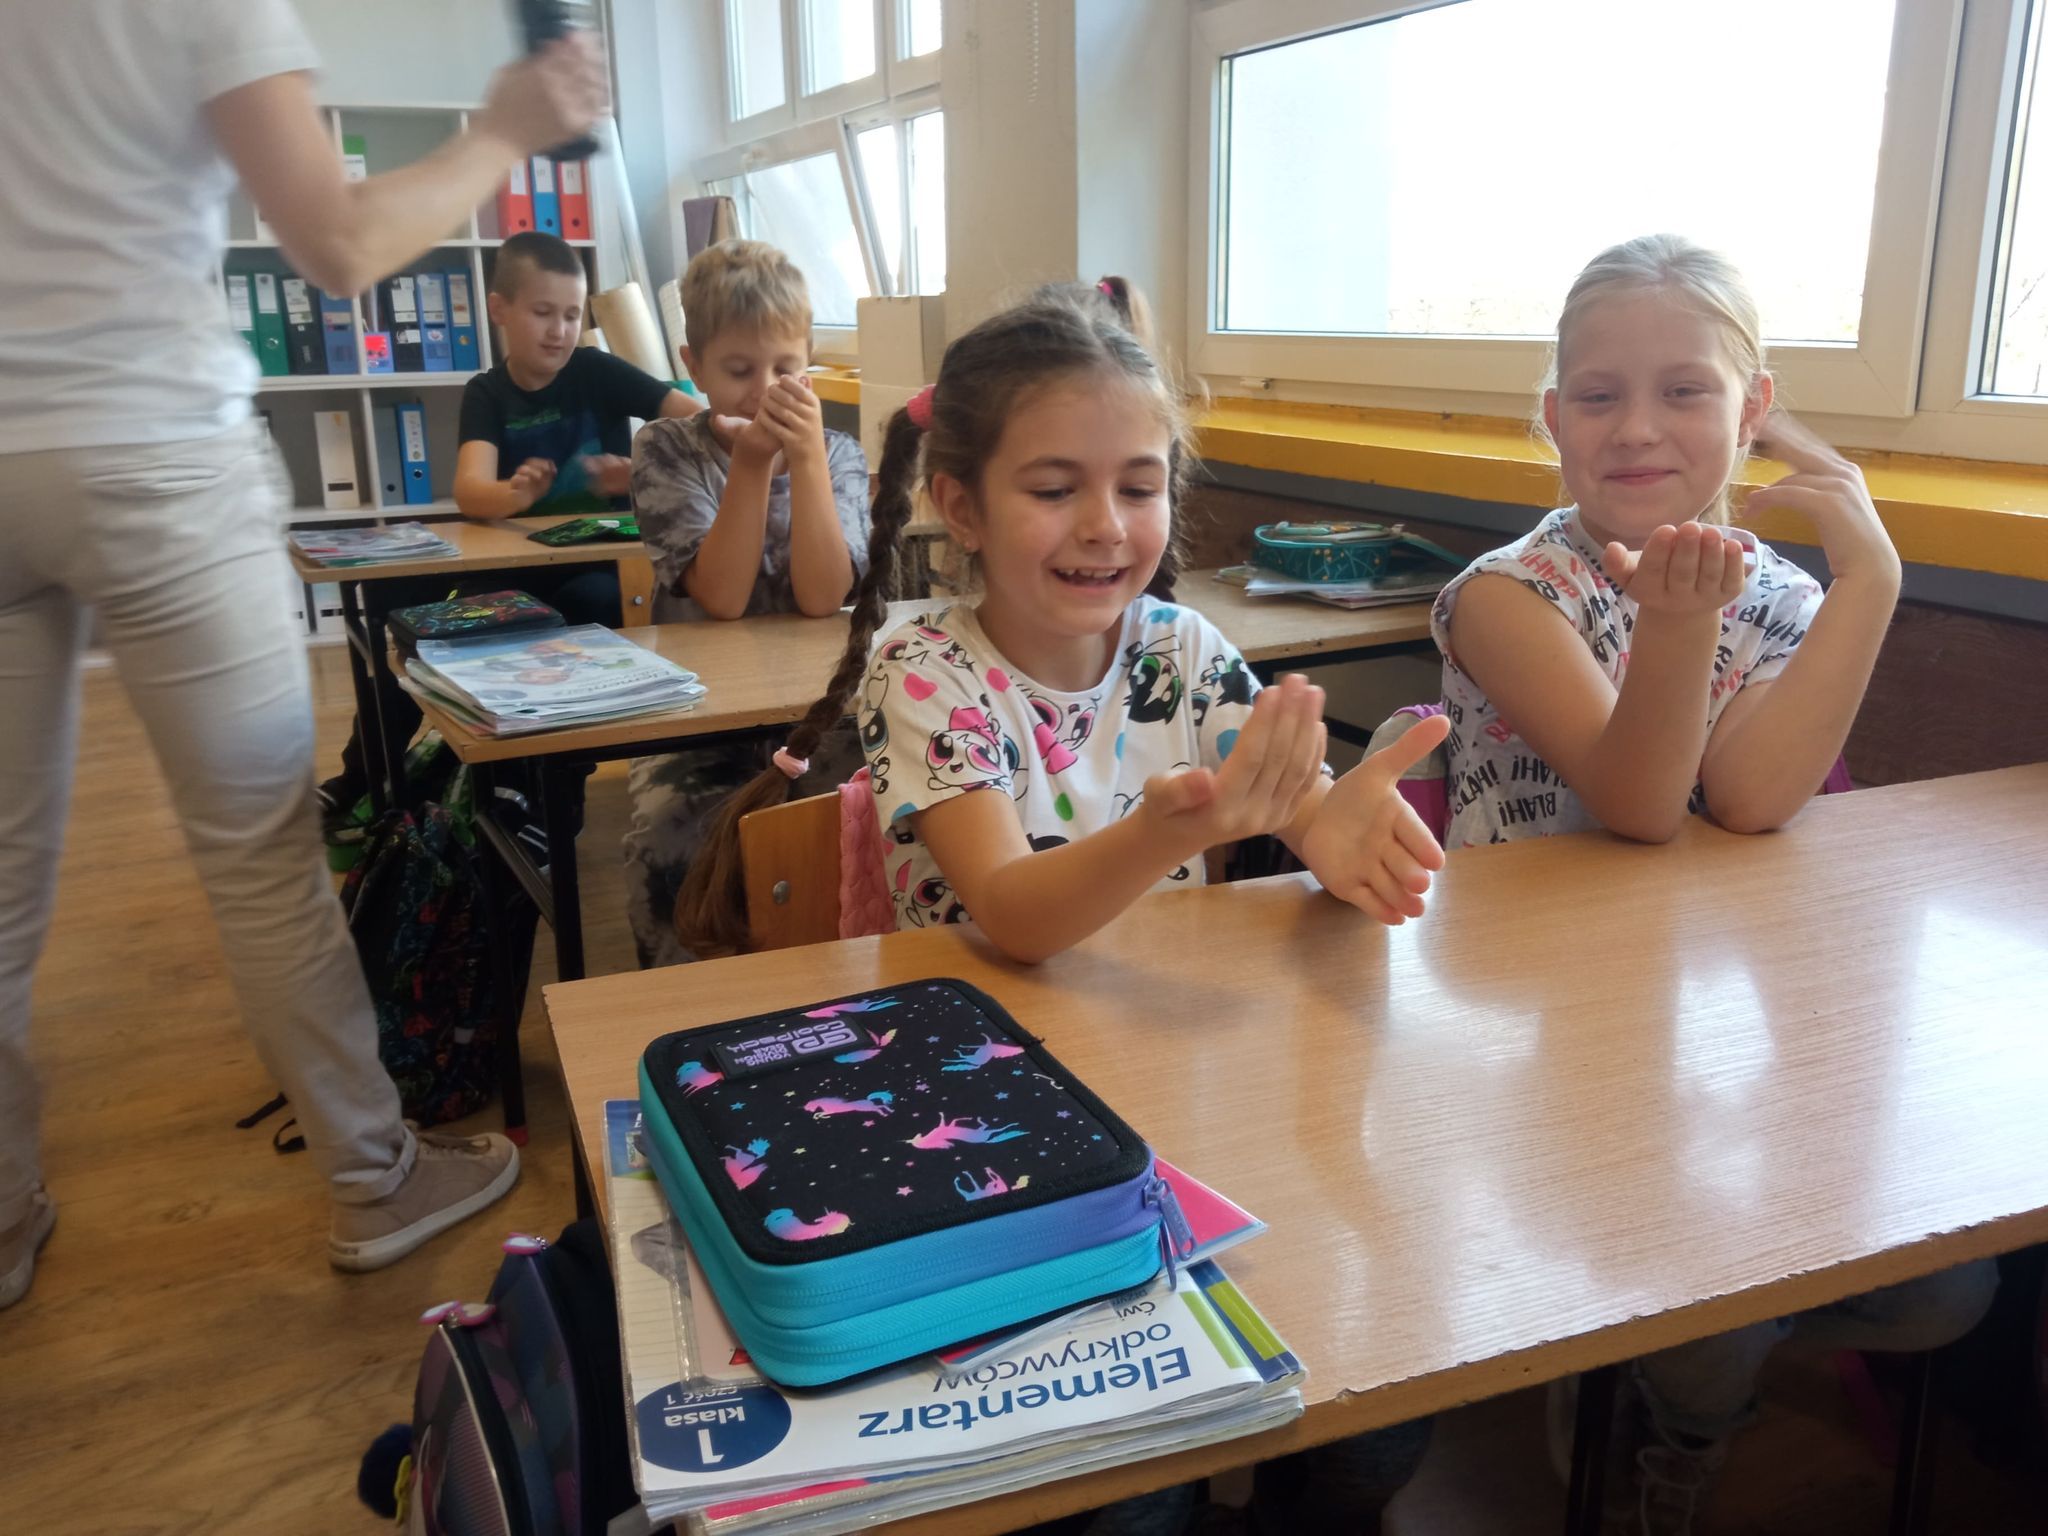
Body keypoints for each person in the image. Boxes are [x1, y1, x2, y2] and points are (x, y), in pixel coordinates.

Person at [674, 281, 1445, 1531]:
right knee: (1130, 1505)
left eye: (1139, 486)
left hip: (1173, 1079)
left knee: (1382, 1413)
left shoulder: (1179, 651)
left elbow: (1286, 801)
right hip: (987, 1108)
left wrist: (1332, 823)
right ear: (962, 507)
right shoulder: (925, 672)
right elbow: (1015, 915)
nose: (1104, 527)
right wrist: (1175, 827)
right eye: (1053, 488)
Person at [0, 0, 610, 1302]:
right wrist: (508, 126)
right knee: (261, 856)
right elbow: (336, 243)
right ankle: (375, 1176)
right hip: (149, 442)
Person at [1429, 233, 1995, 1533]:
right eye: (1597, 394)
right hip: (1537, 1024)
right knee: (1709, 1327)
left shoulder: (1775, 590)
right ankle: (1669, 1398)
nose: (1637, 427)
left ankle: (1666, 1327)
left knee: (1947, 1289)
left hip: (1703, 1013)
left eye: (1684, 389)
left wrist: (1871, 580)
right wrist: (1676, 626)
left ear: (1752, 413)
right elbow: (1642, 808)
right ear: (1553, 418)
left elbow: (1747, 796)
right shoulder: (1509, 595)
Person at [315, 230, 701, 825]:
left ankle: (552, 792)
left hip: (595, 570)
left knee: (586, 606)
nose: (559, 330)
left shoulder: (596, 370)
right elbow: (471, 490)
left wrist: (641, 469)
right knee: (409, 620)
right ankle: (364, 775)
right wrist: (515, 493)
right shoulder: (488, 393)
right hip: (511, 571)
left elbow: (697, 423)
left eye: (571, 315)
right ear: (499, 309)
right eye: (543, 312)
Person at [621, 240, 870, 967]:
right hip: (698, 721)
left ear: (809, 359)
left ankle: (843, 985)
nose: (765, 390)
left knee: (867, 821)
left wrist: (807, 458)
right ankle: (688, 1004)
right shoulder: (665, 450)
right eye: (739, 371)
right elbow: (723, 600)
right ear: (693, 365)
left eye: (785, 369)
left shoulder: (839, 454)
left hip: (816, 710)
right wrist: (754, 463)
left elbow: (823, 597)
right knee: (673, 839)